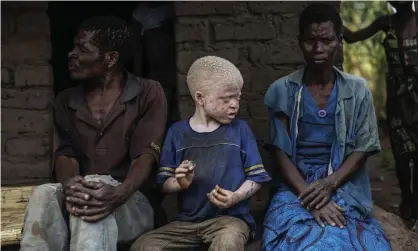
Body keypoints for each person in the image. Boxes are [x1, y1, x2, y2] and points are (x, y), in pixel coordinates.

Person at [20, 16, 167, 251]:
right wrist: (71, 185)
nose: (71, 54)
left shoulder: (148, 93)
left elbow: (146, 155)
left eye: (82, 48)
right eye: (73, 47)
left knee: (94, 188)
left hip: (132, 203)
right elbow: (65, 154)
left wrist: (119, 193)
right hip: (84, 203)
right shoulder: (66, 101)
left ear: (111, 59)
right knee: (44, 194)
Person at [262, 3, 391, 250]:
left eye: (327, 40)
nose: (318, 48)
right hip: (296, 185)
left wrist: (329, 184)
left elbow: (362, 149)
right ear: (300, 42)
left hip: (343, 182)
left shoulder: (357, 90)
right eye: (311, 41)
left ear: (339, 41)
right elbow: (280, 153)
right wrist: (311, 198)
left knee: (358, 240)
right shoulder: (283, 91)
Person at [130, 56, 272, 251]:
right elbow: (163, 183)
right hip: (186, 224)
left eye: (237, 97)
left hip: (229, 221)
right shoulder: (177, 133)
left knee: (228, 242)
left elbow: (257, 177)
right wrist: (180, 182)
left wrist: (236, 197)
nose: (234, 105)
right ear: (200, 98)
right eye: (226, 98)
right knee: (143, 246)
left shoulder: (240, 130)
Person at [343, 1, 418, 221]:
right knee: (402, 156)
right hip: (398, 103)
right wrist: (332, 21)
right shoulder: (386, 23)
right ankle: (407, 203)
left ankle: (414, 206)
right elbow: (352, 37)